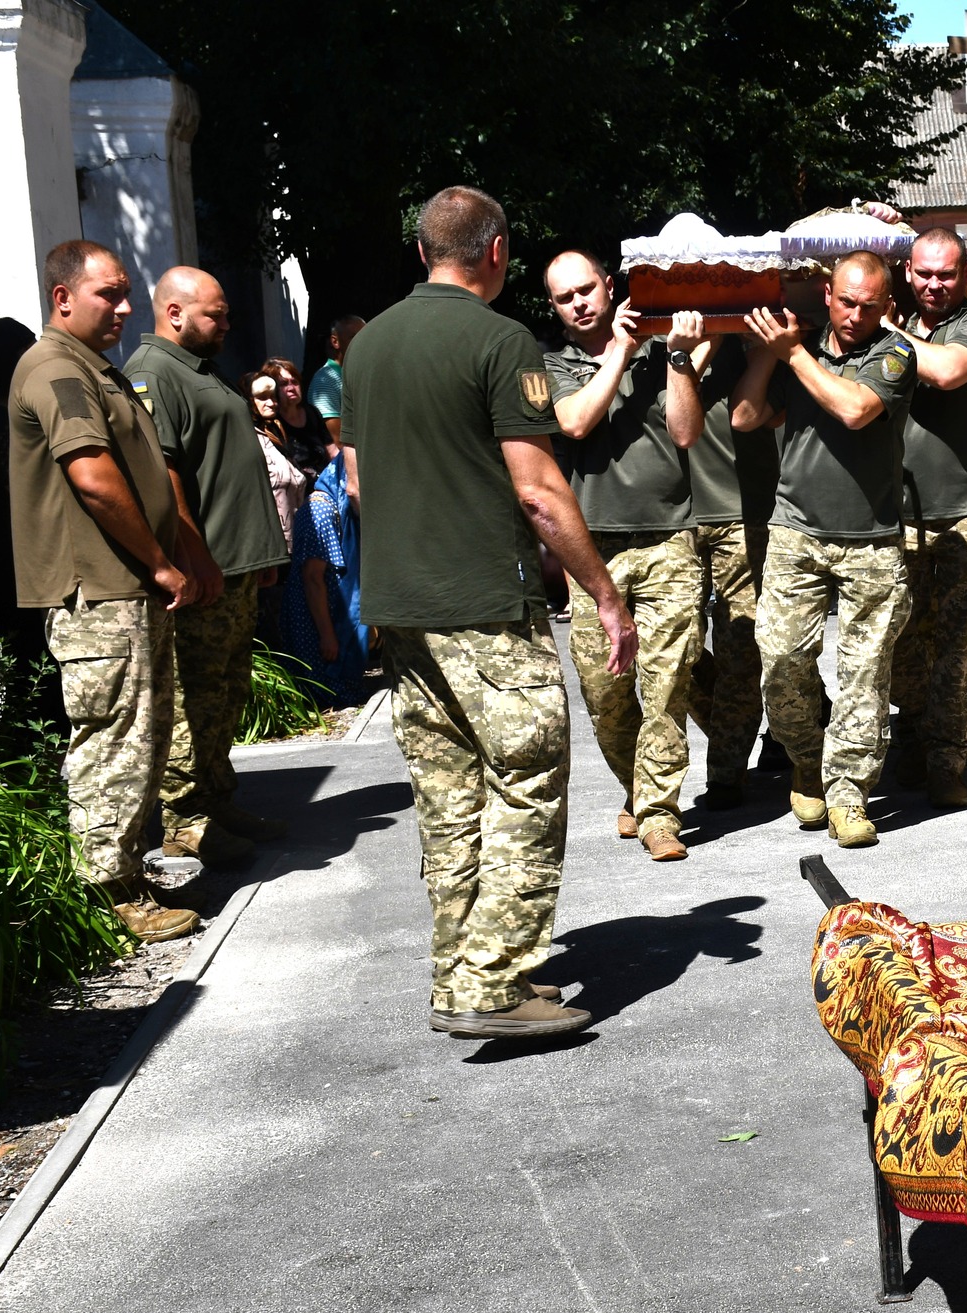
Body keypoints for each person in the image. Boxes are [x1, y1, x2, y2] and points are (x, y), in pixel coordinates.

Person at [347, 184, 637, 1040]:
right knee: (527, 781)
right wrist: (605, 594)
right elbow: (540, 490)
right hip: (482, 602)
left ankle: (459, 969)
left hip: (400, 606)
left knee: (449, 797)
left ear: (422, 252)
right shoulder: (502, 340)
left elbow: (358, 482)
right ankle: (493, 981)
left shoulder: (367, 346)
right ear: (499, 251)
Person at [7, 240, 216, 942]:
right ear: (63, 297)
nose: (126, 307)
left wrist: (180, 554)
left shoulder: (94, 369)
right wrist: (160, 563)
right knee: (113, 742)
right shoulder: (56, 369)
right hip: (99, 595)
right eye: (109, 294)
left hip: (125, 592)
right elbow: (93, 477)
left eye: (127, 293)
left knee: (142, 738)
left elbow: (142, 473)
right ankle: (107, 891)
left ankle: (123, 871)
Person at [731, 252, 915, 848]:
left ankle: (848, 795)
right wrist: (770, 352)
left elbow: (855, 410)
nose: (856, 315)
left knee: (865, 675)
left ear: (887, 306)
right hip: (796, 533)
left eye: (869, 305)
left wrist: (792, 354)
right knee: (781, 660)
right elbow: (745, 416)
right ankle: (808, 760)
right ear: (829, 297)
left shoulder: (894, 353)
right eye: (847, 302)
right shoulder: (800, 351)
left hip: (872, 541)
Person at [542, 250, 706, 862]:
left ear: (609, 286)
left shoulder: (661, 351)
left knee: (666, 684)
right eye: (565, 297)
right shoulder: (549, 364)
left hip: (669, 538)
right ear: (554, 307)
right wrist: (620, 348)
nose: (580, 303)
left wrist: (679, 358)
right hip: (593, 553)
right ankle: (637, 791)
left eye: (586, 289)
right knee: (604, 692)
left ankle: (660, 813)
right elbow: (575, 422)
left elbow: (685, 432)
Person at [127, 267, 293, 870]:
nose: (227, 324)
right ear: (174, 313)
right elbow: (164, 474)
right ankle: (187, 824)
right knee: (194, 699)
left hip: (236, 565)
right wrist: (192, 558)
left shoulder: (200, 368)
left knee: (225, 693)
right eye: (215, 315)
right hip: (205, 572)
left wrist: (262, 553)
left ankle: (219, 802)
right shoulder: (152, 372)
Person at [889, 229, 967, 808]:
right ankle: (915, 736)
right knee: (902, 642)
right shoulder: (898, 320)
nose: (934, 284)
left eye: (946, 274)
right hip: (900, 513)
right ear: (907, 273)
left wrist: (887, 331)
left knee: (961, 648)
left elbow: (945, 372)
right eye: (923, 273)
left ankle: (948, 761)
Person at [685, 332, 780, 810]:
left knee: (742, 650)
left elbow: (751, 414)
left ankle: (726, 770)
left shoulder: (757, 336)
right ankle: (776, 723)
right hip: (669, 519)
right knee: (672, 652)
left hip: (744, 514)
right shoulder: (656, 340)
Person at [280, 448, 367, 708]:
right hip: (313, 619)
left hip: (329, 611)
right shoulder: (321, 511)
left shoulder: (335, 508)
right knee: (327, 692)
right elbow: (313, 579)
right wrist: (327, 635)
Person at [244, 373, 308, 548]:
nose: (271, 403)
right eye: (262, 398)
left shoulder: (277, 431)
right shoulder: (248, 439)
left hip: (297, 538)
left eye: (273, 397)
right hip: (272, 544)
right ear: (249, 400)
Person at [262, 357, 336, 474]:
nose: (291, 388)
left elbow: (332, 452)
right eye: (283, 384)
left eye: (294, 382)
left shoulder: (312, 413)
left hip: (325, 481)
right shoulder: (271, 425)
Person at [308, 314, 364, 443]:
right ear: (335, 342)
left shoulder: (360, 374)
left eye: (365, 336)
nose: (363, 342)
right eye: (354, 337)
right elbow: (338, 442)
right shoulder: (325, 382)